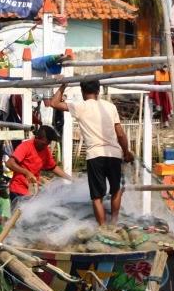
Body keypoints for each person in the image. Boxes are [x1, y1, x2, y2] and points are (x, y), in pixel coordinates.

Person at [48, 79, 133, 225]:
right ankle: (114, 223)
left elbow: (54, 103)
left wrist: (64, 85)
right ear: (98, 91)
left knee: (97, 197)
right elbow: (120, 133)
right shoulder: (110, 107)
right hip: (113, 154)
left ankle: (102, 227)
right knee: (116, 190)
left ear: (82, 92)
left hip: (95, 155)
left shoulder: (80, 106)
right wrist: (126, 152)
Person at [5, 126, 71, 206]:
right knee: (20, 217)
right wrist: (26, 172)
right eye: (43, 144)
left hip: (32, 191)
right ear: (36, 137)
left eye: (47, 144)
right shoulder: (26, 146)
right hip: (18, 191)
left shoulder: (45, 150)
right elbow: (9, 163)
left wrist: (70, 178)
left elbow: (53, 167)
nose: (45, 146)